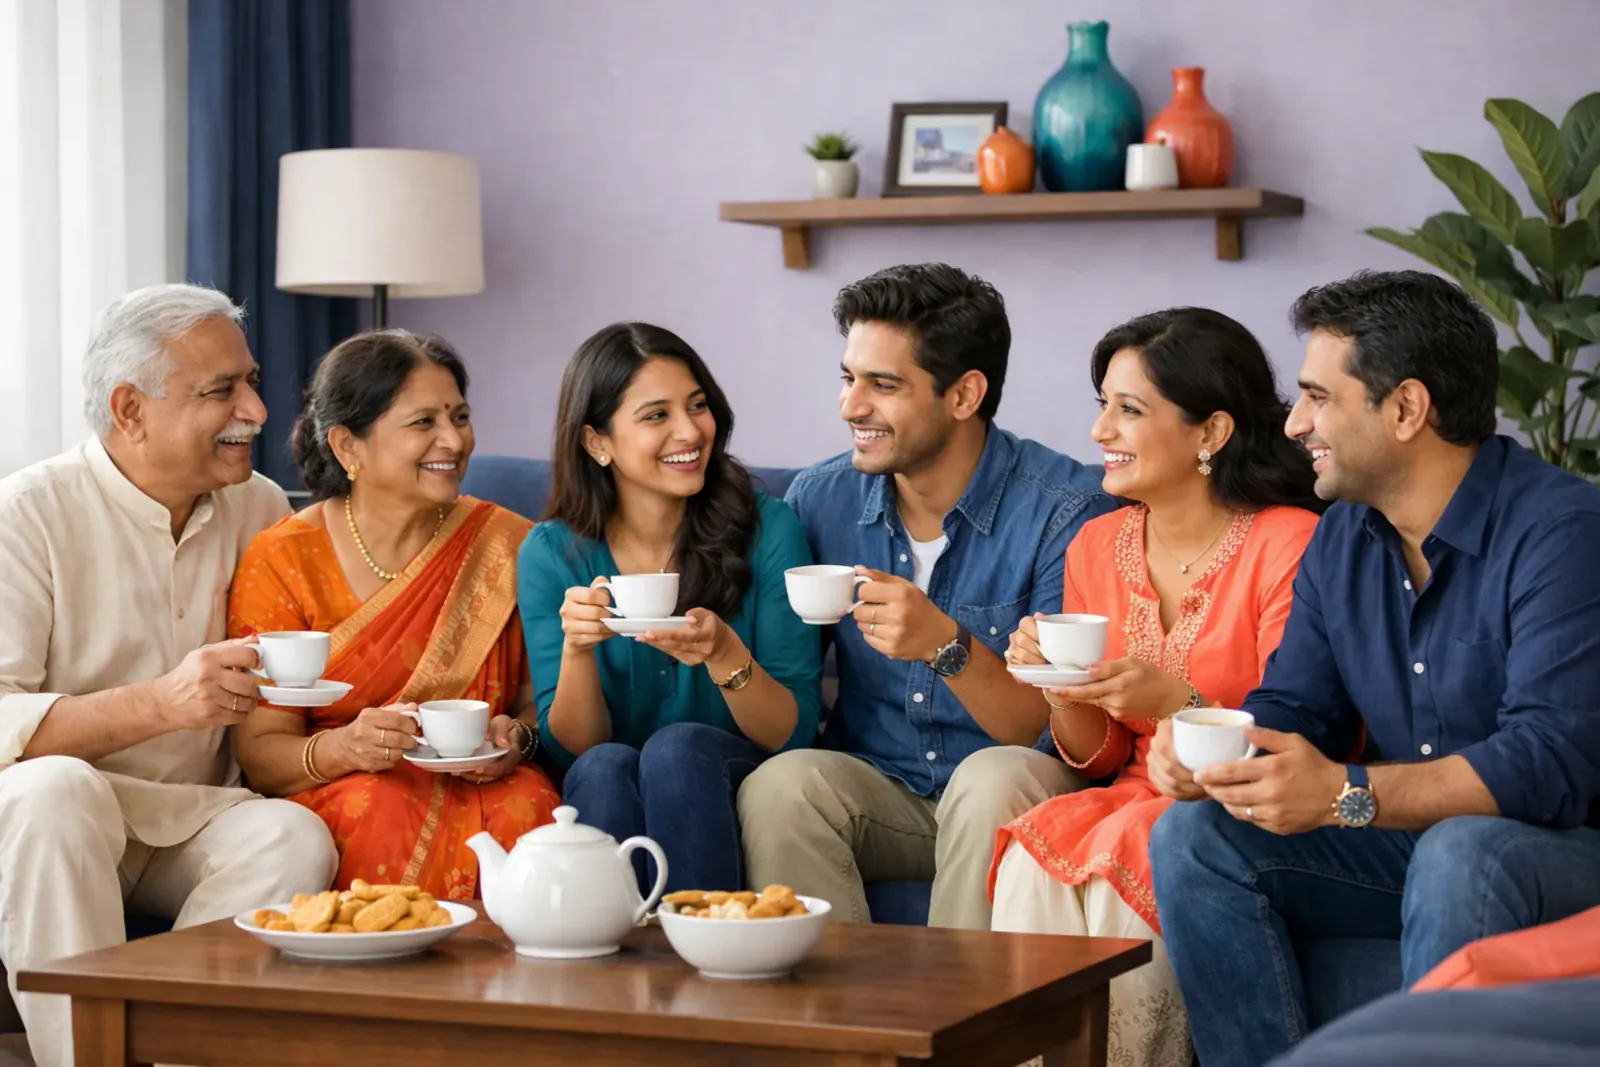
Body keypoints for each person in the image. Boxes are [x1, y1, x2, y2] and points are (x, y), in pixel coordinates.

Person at [1147, 271, 1600, 1067]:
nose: (1294, 424)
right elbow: (1297, 708)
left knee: (1464, 850)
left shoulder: (1562, 529)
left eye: (1319, 397)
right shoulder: (1344, 537)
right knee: (1194, 836)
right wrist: (1218, 760)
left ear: (1405, 409)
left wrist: (1352, 793)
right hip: (1413, 840)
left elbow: (1552, 760)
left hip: (1565, 849)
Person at [0, 284, 337, 1067]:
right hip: (49, 817)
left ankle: (167, 1053)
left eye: (249, 380)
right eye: (220, 391)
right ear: (129, 409)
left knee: (294, 833)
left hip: (191, 813)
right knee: (56, 790)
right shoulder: (27, 513)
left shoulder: (258, 506)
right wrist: (160, 703)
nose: (254, 409)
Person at [989, 308, 1323, 1067]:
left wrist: (1174, 701)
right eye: (1102, 403)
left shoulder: (1287, 542)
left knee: (1124, 861)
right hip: (1130, 793)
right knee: (1033, 857)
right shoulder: (1096, 543)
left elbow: (1302, 729)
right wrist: (1061, 688)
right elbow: (1100, 757)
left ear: (1210, 432)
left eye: (1128, 409)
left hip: (1243, 805)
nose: (1101, 429)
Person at [738, 262, 1114, 928]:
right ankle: (839, 1030)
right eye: (849, 378)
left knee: (991, 775)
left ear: (965, 394)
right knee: (781, 786)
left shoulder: (1064, 513)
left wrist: (946, 644)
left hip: (1019, 784)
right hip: (882, 785)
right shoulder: (818, 499)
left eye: (883, 385)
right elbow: (787, 685)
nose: (852, 406)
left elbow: (1046, 731)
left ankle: (957, 1026)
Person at [229, 330, 560, 901]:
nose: (453, 440)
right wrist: (346, 748)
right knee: (376, 807)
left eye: (459, 416)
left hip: (484, 779)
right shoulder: (283, 559)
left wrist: (519, 739)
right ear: (348, 445)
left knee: (531, 808)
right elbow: (260, 753)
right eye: (423, 422)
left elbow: (542, 700)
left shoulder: (510, 546)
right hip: (344, 783)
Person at [517, 323, 820, 893]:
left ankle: (706, 943)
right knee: (604, 766)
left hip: (732, 769)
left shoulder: (768, 528)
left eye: (698, 406)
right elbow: (572, 747)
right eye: (656, 415)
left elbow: (794, 731)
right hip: (612, 781)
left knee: (676, 747)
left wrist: (724, 654)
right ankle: (612, 965)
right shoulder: (551, 553)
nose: (690, 430)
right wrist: (578, 651)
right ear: (596, 442)